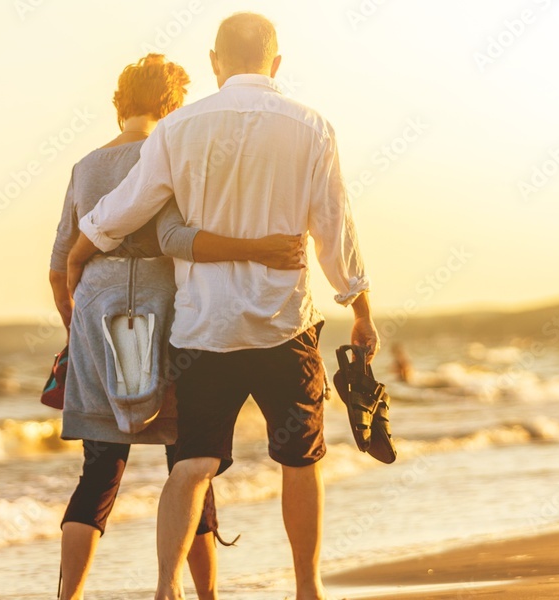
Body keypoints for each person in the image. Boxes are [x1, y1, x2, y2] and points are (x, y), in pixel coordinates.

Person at [67, 13, 379, 600]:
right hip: (283, 326)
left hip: (203, 330)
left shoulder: (178, 129)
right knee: (300, 459)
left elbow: (125, 208)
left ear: (215, 61)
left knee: (192, 464)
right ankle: (307, 589)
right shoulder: (311, 126)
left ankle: (166, 590)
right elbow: (335, 227)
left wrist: (79, 254)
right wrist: (359, 307)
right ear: (277, 63)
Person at [48, 54, 305, 600]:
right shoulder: (172, 151)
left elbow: (58, 267)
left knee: (99, 470)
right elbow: (179, 238)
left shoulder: (85, 166)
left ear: (121, 102)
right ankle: (202, 595)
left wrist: (78, 332)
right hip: (166, 306)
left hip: (97, 305)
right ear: (172, 104)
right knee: (187, 459)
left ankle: (66, 597)